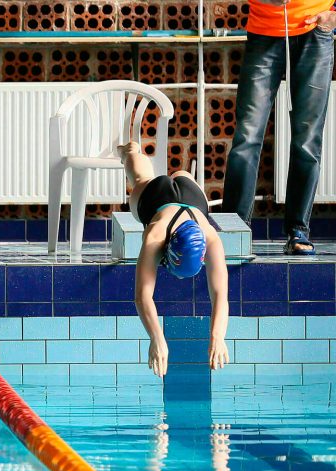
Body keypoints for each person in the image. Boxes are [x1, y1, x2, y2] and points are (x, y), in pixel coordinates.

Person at [223, 0, 336, 255]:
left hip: (316, 33)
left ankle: (298, 230)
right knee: (247, 137)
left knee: (307, 141)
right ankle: (233, 231)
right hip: (264, 33)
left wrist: (333, 19)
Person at [119, 142, 230, 378]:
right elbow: (142, 295)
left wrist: (217, 337)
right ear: (166, 251)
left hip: (192, 197)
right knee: (140, 181)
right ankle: (128, 153)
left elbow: (220, 295)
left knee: (144, 174)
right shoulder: (155, 235)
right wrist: (157, 339)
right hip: (159, 197)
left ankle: (132, 151)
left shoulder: (209, 237)